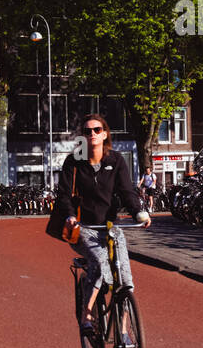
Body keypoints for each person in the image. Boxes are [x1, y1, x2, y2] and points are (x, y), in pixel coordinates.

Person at [55, 114, 151, 335]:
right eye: (87, 131)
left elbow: (127, 191)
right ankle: (86, 314)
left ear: (105, 134)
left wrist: (139, 213)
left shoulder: (115, 160)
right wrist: (69, 215)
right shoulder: (74, 162)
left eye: (97, 130)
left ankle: (124, 331)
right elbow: (63, 195)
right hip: (83, 228)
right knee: (99, 262)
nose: (92, 134)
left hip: (110, 227)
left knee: (125, 280)